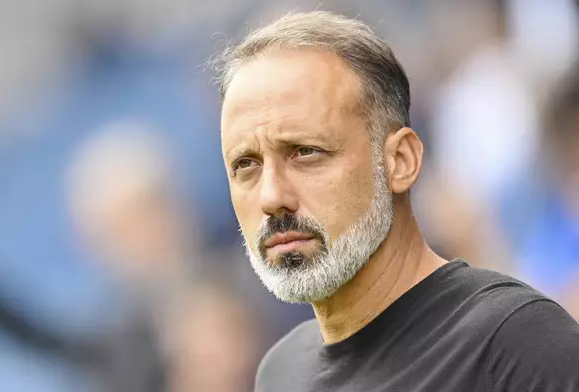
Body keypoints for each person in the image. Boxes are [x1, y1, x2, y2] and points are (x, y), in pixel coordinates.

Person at [213, 10, 579, 391]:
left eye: (306, 152)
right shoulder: (281, 372)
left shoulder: (516, 345)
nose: (272, 196)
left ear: (400, 161)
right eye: (245, 165)